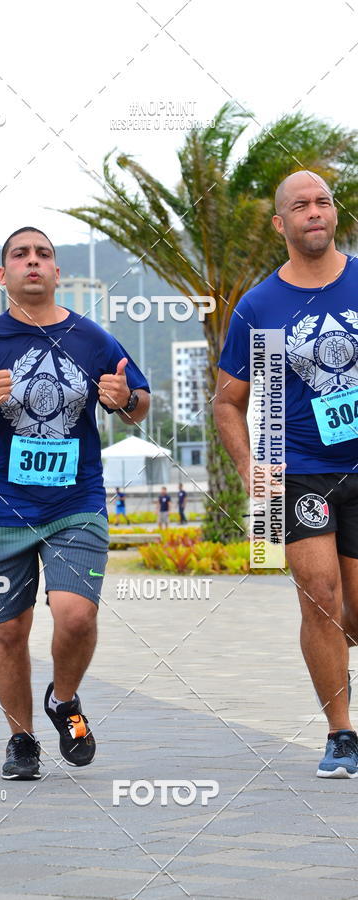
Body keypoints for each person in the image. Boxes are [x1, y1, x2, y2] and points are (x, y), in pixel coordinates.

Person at [0, 226, 150, 779]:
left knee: (76, 617)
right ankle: (21, 739)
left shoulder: (92, 338)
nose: (33, 262)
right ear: (3, 275)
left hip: (74, 503)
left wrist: (128, 401)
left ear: (56, 273)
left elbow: (139, 401)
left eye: (44, 255)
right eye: (20, 255)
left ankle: (65, 699)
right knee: (9, 631)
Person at [215, 170, 358, 778]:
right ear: (281, 224)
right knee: (319, 597)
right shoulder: (260, 306)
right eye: (299, 205)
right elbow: (228, 401)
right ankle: (342, 733)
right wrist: (249, 466)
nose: (314, 211)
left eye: (323, 201)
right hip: (297, 469)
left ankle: (337, 656)